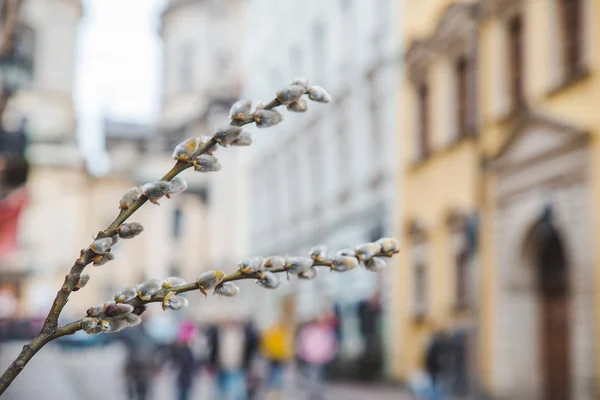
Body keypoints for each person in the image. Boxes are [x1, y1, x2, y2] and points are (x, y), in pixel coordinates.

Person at [296, 316, 337, 400]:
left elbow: (330, 344)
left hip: (319, 357)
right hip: (311, 357)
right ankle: (314, 392)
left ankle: (315, 392)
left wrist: (329, 354)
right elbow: (302, 343)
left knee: (317, 375)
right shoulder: (309, 331)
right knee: (314, 375)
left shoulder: (324, 331)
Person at [207, 319, 249, 400]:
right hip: (224, 365)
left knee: (232, 388)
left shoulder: (235, 335)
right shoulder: (222, 334)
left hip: (232, 365)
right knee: (225, 388)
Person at [121, 322, 160, 400]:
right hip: (137, 369)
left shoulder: (148, 336)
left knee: (141, 391)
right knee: (136, 391)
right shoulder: (136, 335)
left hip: (142, 370)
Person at [259, 322, 294, 399]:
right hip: (272, 358)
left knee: (278, 377)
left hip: (280, 359)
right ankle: (270, 394)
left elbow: (287, 347)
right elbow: (265, 346)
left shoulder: (283, 334)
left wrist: (287, 356)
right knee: (272, 376)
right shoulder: (271, 333)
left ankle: (276, 394)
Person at [171, 321, 198, 400]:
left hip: (184, 377)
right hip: (183, 377)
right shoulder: (184, 350)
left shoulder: (185, 350)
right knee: (183, 395)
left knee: (183, 394)